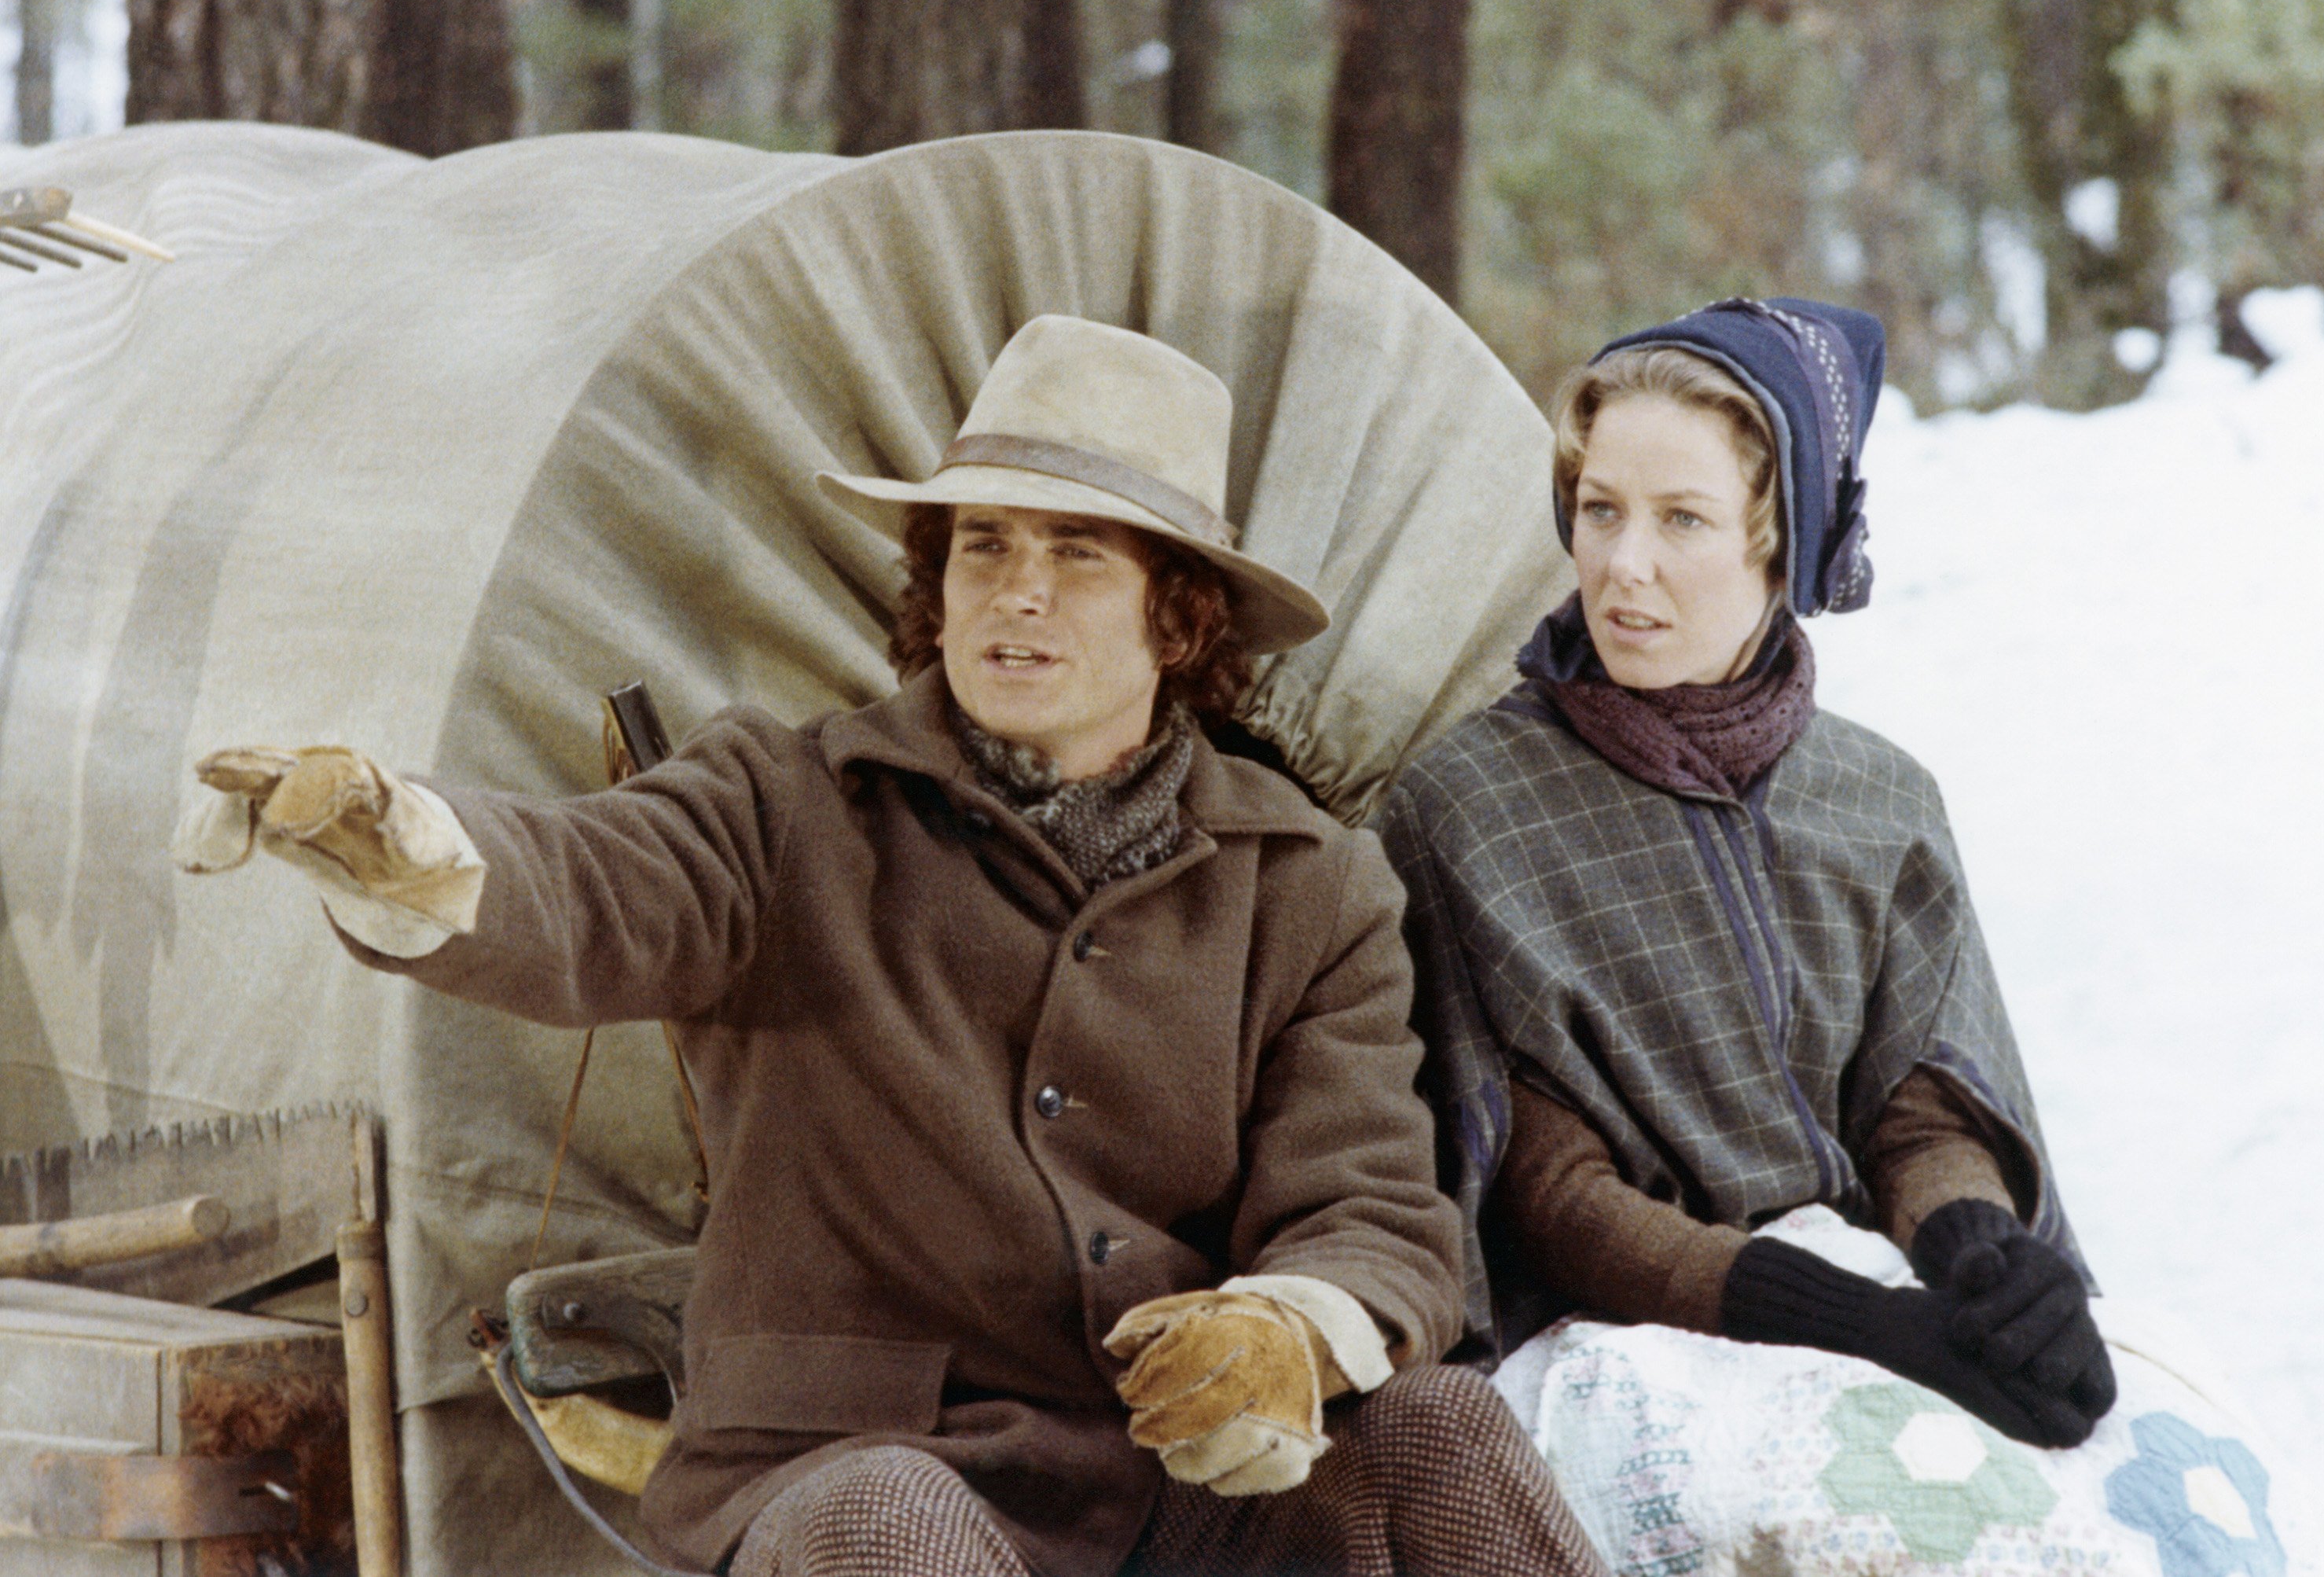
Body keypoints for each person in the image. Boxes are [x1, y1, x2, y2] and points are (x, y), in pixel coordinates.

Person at [177, 314, 1606, 1577]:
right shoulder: (787, 800)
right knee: (889, 1526)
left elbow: (1368, 1203)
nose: (1017, 590)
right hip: (849, 1466)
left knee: (1440, 1427)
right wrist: (405, 845)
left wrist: (1295, 1335)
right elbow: (595, 885)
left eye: (1076, 553)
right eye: (982, 545)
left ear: (1178, 615)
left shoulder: (1307, 881)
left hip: (1168, 1490)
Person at [1381, 297, 2117, 1450]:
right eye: (1599, 510)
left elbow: (1920, 1111)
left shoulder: (1880, 801)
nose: (1624, 567)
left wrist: (1980, 1253)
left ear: (1782, 541)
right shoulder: (1466, 808)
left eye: (1683, 520)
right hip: (1619, 1348)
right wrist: (1849, 1324)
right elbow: (1552, 1198)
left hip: (1886, 1287)